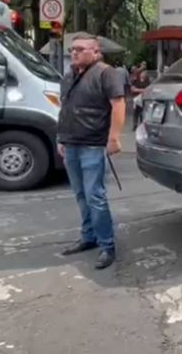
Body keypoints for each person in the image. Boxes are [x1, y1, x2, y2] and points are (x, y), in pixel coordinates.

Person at [56, 35, 126, 269]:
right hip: (71, 144)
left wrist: (114, 137)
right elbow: (64, 109)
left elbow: (118, 105)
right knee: (80, 195)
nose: (74, 53)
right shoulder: (68, 76)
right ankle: (89, 237)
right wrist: (60, 138)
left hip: (93, 145)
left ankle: (107, 246)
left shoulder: (106, 73)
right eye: (72, 49)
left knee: (95, 196)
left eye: (80, 49)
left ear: (95, 52)